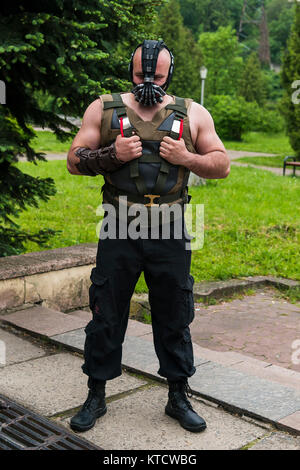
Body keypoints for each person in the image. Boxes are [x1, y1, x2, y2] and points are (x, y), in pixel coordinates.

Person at [66, 40, 230, 434]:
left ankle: (178, 394)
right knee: (106, 309)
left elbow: (221, 164)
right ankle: (96, 393)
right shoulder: (103, 109)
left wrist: (186, 158)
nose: (148, 82)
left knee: (175, 311)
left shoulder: (192, 112)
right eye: (141, 74)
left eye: (156, 75)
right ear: (131, 70)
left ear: (169, 74)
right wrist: (112, 155)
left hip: (171, 225)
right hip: (119, 223)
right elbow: (74, 160)